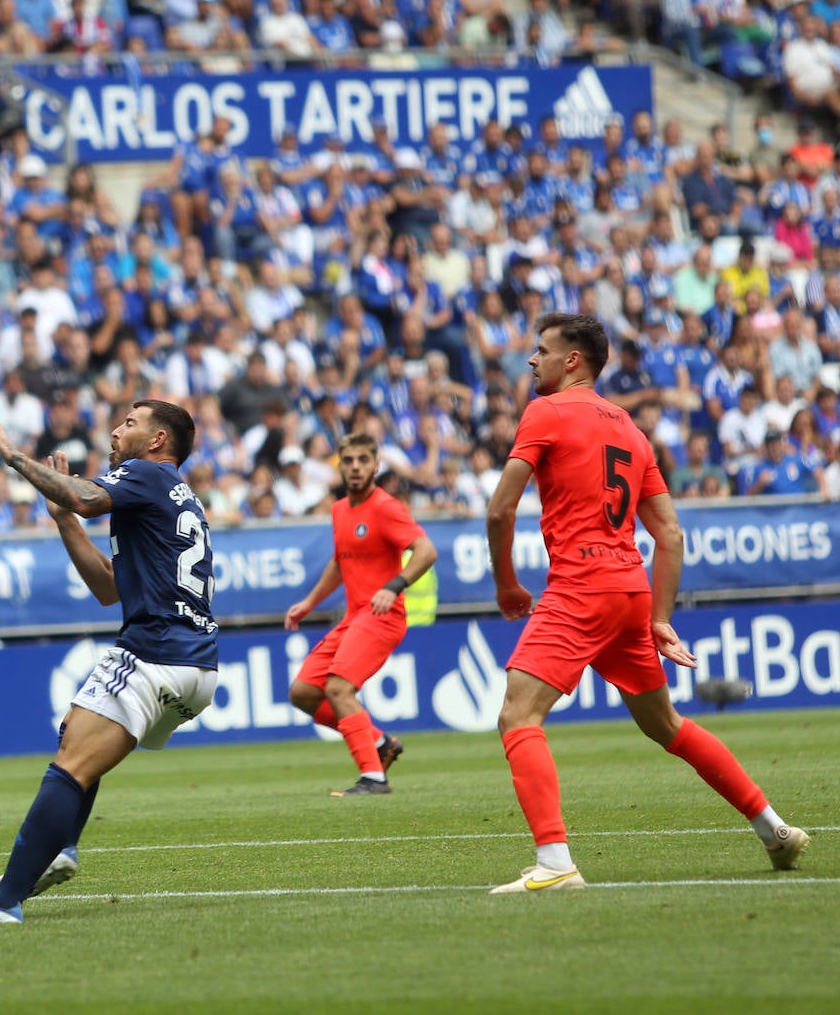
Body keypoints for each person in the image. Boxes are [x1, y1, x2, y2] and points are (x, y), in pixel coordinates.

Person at [485, 313, 810, 893]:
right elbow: (670, 535)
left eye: (542, 350)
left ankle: (555, 864)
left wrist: (507, 584)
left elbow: (499, 509)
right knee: (667, 725)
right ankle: (775, 829)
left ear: (572, 360)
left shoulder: (545, 412)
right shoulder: (631, 431)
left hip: (581, 585)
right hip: (629, 590)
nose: (532, 360)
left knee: (518, 715)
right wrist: (659, 617)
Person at [0, 399, 218, 927]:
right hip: (196, 666)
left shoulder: (146, 474)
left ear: (158, 441)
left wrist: (15, 458)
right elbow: (109, 588)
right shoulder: (177, 495)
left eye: (130, 423)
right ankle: (60, 848)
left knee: (70, 765)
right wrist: (64, 520)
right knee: (75, 734)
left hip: (155, 650)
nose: (115, 431)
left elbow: (86, 497)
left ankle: (2, 903)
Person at [284, 432, 438, 795]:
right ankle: (380, 743)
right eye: (349, 461)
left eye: (363, 460)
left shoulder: (386, 507)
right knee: (303, 693)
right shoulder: (339, 510)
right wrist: (310, 602)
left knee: (338, 688)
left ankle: (373, 777)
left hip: (382, 616)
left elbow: (426, 551)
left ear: (376, 465)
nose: (355, 467)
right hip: (354, 617)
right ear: (341, 465)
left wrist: (394, 585)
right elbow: (341, 561)